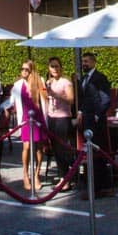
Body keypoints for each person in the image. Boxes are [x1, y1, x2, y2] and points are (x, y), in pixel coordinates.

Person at [78, 52, 113, 194]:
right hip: (86, 120)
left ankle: (99, 185)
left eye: (86, 61)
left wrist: (98, 114)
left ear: (93, 62)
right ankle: (91, 183)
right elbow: (84, 99)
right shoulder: (83, 79)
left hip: (96, 121)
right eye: (83, 61)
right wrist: (81, 112)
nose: (84, 64)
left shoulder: (100, 78)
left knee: (97, 152)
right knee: (89, 152)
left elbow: (105, 98)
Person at [42, 57, 76, 186]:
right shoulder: (49, 81)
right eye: (52, 66)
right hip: (52, 117)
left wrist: (55, 94)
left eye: (57, 66)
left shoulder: (65, 82)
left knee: (62, 148)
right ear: (49, 68)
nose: (55, 69)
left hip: (63, 117)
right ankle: (62, 175)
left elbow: (71, 99)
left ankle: (66, 178)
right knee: (55, 148)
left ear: (61, 67)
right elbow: (46, 97)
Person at [16, 61, 47, 192]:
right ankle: (25, 174)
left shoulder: (39, 81)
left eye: (26, 69)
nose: (23, 71)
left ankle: (36, 174)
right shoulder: (18, 84)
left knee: (39, 147)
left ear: (32, 71)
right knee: (27, 146)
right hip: (25, 118)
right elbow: (13, 100)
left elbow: (45, 99)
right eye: (22, 69)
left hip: (38, 117)